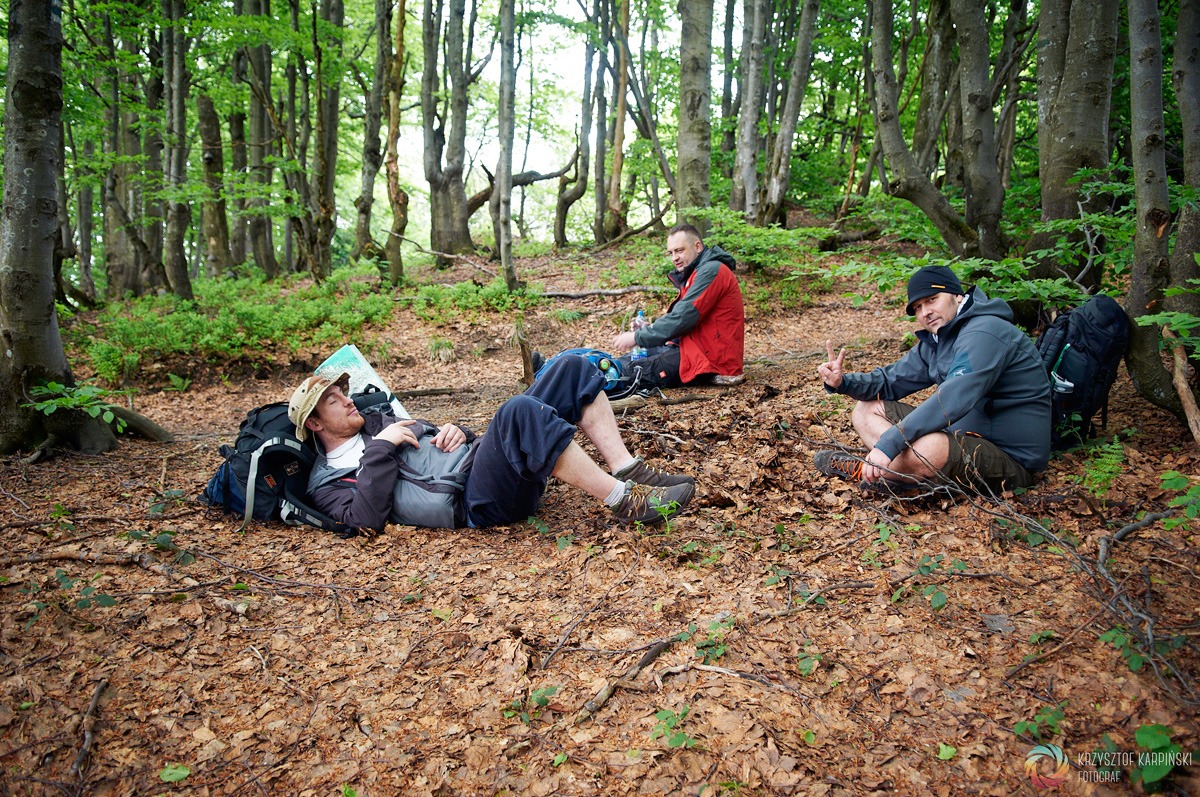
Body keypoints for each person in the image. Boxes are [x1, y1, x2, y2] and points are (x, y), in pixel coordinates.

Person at [287, 354, 695, 533]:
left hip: (479, 460)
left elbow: (436, 439)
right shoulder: (326, 483)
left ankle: (627, 468)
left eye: (344, 392)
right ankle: (625, 501)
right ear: (316, 424)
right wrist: (381, 448)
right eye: (333, 400)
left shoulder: (379, 420)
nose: (347, 399)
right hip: (474, 502)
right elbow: (364, 520)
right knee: (517, 411)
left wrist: (457, 431)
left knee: (571, 368)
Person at [813, 265, 1051, 494]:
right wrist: (843, 382)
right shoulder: (939, 339)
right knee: (867, 409)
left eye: (931, 300)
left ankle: (870, 470)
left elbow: (953, 398)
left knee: (928, 448)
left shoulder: (986, 331)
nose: (924, 312)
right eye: (917, 307)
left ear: (957, 295)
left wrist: (889, 444)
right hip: (961, 438)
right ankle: (903, 473)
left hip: (1009, 459)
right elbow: (891, 380)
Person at [609, 223, 745, 389]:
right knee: (623, 362)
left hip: (711, 360)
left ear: (698, 246)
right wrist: (648, 328)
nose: (674, 257)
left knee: (628, 372)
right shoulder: (697, 272)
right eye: (671, 252)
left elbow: (682, 318)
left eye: (680, 250)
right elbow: (684, 320)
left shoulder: (712, 271)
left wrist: (637, 337)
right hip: (692, 349)